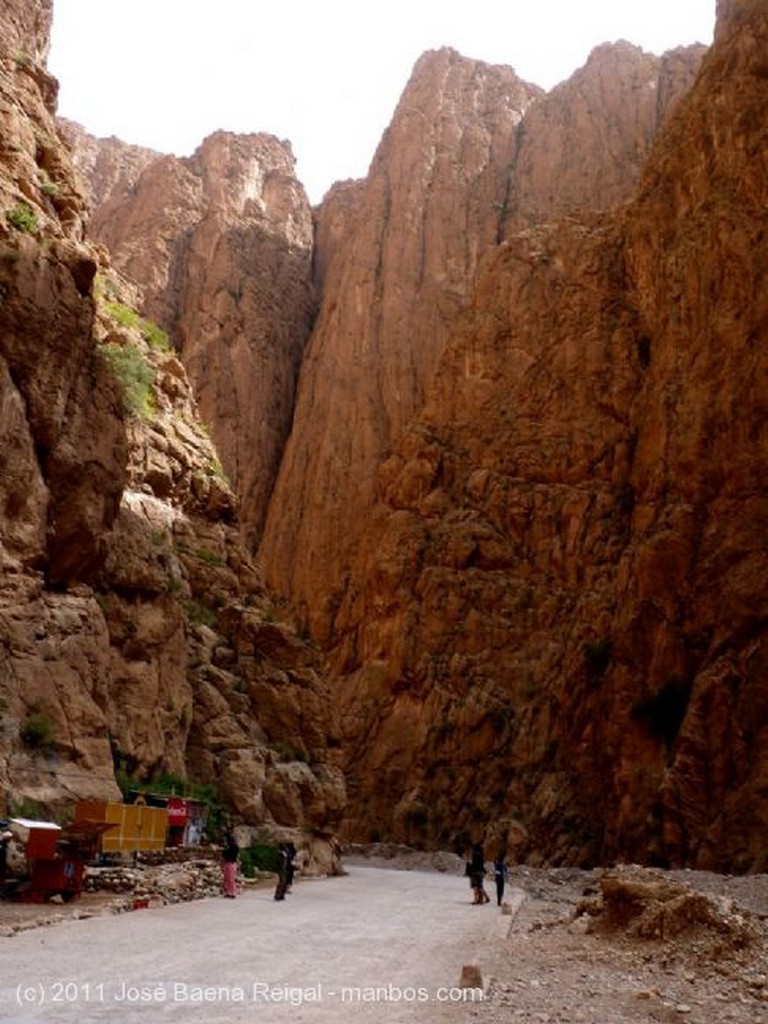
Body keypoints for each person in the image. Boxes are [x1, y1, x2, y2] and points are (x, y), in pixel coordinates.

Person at [221, 830, 239, 898]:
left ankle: (233, 892)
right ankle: (228, 891)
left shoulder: (233, 847)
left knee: (231, 878)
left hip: (231, 863)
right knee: (227, 878)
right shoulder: (229, 847)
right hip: (227, 862)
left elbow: (228, 855)